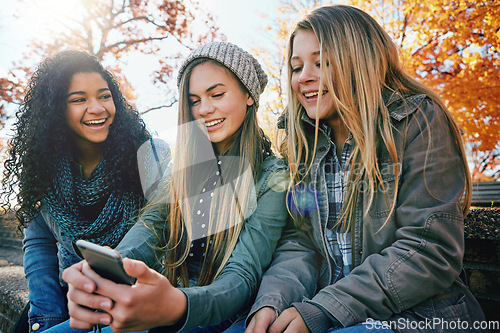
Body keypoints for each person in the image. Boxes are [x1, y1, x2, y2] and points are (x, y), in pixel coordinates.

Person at [245, 5, 487, 333]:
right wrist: (272, 301)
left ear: (360, 59)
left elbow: (429, 250)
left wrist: (324, 309)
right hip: (326, 310)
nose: (304, 77)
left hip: (417, 317)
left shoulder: (419, 122)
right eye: (297, 66)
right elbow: (302, 244)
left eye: (322, 62)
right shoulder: (303, 145)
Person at [58, 41, 289, 333]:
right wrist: (114, 264)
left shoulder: (274, 178)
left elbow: (242, 276)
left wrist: (177, 304)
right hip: (162, 298)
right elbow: (152, 225)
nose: (204, 109)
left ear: (248, 96)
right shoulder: (185, 167)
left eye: (216, 94)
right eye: (194, 101)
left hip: (213, 314)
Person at [0, 50, 151, 332]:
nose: (97, 108)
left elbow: (161, 231)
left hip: (131, 295)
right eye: (79, 99)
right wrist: (47, 317)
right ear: (57, 108)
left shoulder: (144, 156)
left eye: (104, 96)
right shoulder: (41, 169)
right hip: (66, 291)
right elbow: (38, 244)